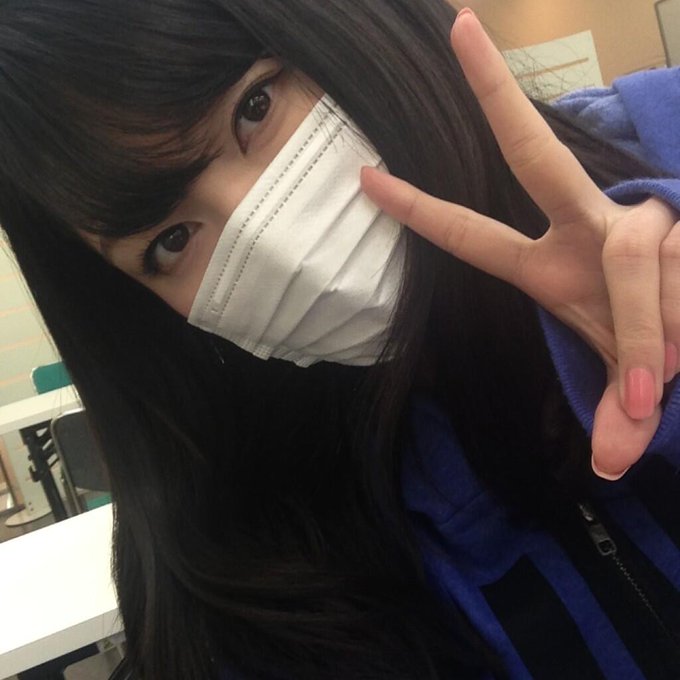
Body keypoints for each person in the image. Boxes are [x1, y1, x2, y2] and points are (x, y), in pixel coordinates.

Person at [0, 1, 678, 678]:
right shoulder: (262, 585)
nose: (282, 253)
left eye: (255, 107)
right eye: (171, 241)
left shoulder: (660, 138)